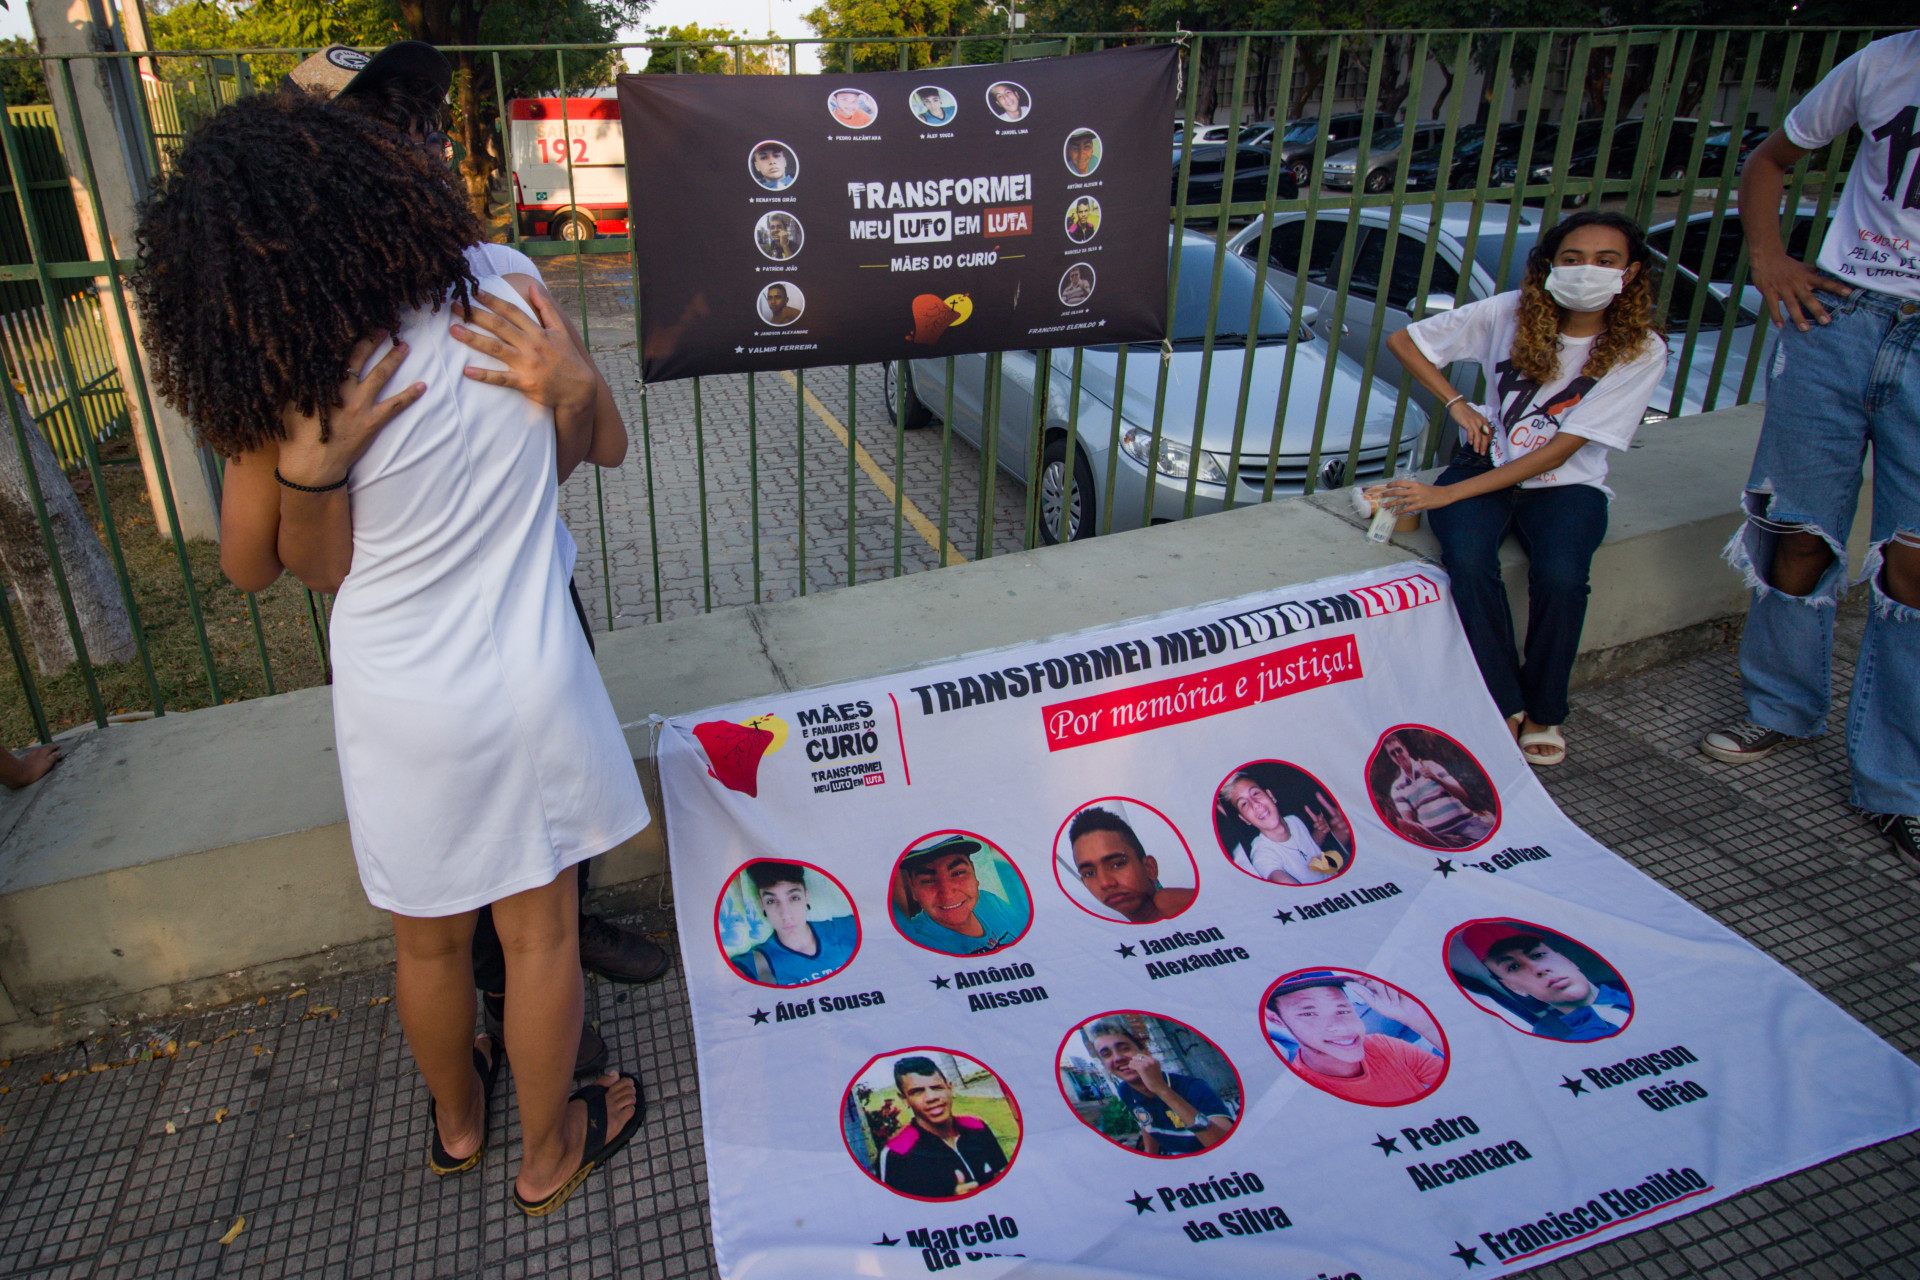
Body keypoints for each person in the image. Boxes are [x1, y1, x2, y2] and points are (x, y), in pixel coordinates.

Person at [135, 91, 645, 1215]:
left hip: (395, 697)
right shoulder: (505, 279)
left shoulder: (289, 366)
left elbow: (257, 568)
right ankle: (548, 1152)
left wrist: (315, 473)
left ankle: (459, 1127)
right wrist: (571, 394)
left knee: (427, 945)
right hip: (527, 674)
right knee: (541, 931)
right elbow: (562, 463)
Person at [288, 41, 672, 1084]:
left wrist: (573, 383)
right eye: (387, 128)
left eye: (418, 121)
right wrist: (316, 471)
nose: (421, 145)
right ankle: (542, 1122)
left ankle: (461, 1123)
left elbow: (576, 456)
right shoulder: (311, 336)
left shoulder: (503, 278)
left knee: (476, 922)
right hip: (460, 662)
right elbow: (307, 560)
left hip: (506, 629)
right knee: (512, 925)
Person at [1697, 31, 1920, 865]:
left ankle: (1897, 782)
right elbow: (1768, 161)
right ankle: (1783, 708)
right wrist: (1767, 256)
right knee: (1793, 536)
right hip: (1838, 320)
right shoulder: (1882, 63)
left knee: (1912, 566)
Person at [1369, 212, 1668, 767]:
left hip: (1565, 485)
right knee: (1467, 556)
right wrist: (1457, 404)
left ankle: (1545, 709)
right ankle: (1503, 699)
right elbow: (1404, 340)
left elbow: (1558, 452)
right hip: (1485, 460)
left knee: (1561, 574)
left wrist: (1445, 495)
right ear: (1549, 265)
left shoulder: (1640, 349)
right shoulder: (1510, 310)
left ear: (1629, 274)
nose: (1586, 272)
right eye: (1572, 259)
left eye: (1606, 261)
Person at [1265, 972, 1445, 1106]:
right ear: (1275, 1019)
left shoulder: (1381, 1045)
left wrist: (1422, 1023)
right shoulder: (1294, 1094)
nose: (1342, 1026)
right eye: (1309, 1013)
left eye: (1343, 1010)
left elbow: (1463, 1081)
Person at [1458, 923, 1631, 1042]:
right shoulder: (1562, 1045)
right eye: (1514, 966)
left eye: (1537, 955)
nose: (1538, 969)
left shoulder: (1642, 991)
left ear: (1567, 960)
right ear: (1514, 987)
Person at [1087, 1020, 1232, 1156]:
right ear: (1105, 1065)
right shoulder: (1126, 1091)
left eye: (1124, 1048)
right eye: (1107, 1055)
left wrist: (1162, 1090)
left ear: (1145, 1051)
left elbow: (1224, 1145)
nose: (1118, 1058)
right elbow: (1147, 1122)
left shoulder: (1193, 1087)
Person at [876, 1056, 1010, 1198]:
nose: (931, 1097)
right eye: (918, 1092)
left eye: (936, 1088)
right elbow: (896, 1214)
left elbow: (1001, 1176)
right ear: (904, 1099)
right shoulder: (897, 1154)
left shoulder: (977, 1127)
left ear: (949, 1088)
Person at [892, 835, 1027, 956]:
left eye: (957, 873)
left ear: (973, 872)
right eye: (928, 880)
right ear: (913, 888)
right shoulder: (915, 939)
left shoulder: (989, 901)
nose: (947, 894)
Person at [726, 860, 857, 985]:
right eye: (771, 901)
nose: (785, 914)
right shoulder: (761, 962)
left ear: (806, 897)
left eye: (794, 898)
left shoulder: (843, 929)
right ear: (762, 905)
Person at [1215, 773, 1348, 884]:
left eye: (1255, 793)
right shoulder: (1262, 856)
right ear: (1245, 819)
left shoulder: (1294, 821)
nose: (1255, 804)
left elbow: (1310, 861)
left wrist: (1326, 833)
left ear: (1271, 796)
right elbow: (1282, 881)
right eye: (1244, 804)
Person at [1067, 806, 1194, 923]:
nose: (1105, 883)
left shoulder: (1168, 901)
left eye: (1117, 864)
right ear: (1084, 883)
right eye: (1089, 873)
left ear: (1150, 868)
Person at [1377, 735, 1494, 848]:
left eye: (1399, 750)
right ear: (1390, 758)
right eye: (1393, 753)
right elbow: (1409, 820)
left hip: (1467, 825)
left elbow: (1462, 795)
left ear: (1406, 749)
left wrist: (1436, 778)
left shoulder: (1430, 766)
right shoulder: (1397, 787)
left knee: (1493, 847)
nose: (1398, 755)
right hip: (1440, 837)